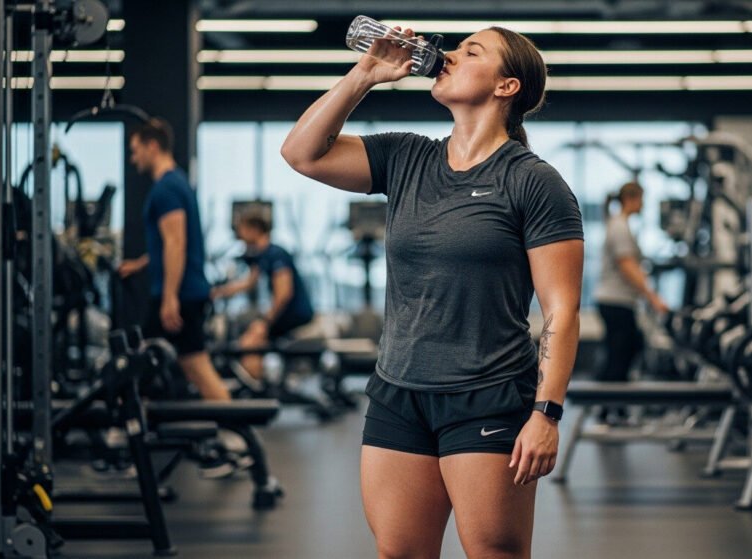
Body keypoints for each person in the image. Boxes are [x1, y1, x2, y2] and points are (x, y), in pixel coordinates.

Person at [281, 25, 584, 559]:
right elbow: (301, 153)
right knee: (400, 552)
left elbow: (561, 308)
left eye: (471, 51)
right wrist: (366, 75)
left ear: (505, 87)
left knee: (494, 551)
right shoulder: (407, 158)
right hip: (398, 394)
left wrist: (547, 413)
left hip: (486, 394)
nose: (447, 55)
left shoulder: (533, 182)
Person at [118, 118, 231, 402]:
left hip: (179, 294)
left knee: (191, 367)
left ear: (152, 146)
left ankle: (235, 428)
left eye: (136, 150)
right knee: (157, 363)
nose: (133, 159)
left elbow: (176, 242)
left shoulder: (165, 189)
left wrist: (169, 297)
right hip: (185, 291)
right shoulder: (176, 182)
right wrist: (141, 263)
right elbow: (170, 242)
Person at [212, 210, 316, 385]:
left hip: (296, 314)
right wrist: (218, 291)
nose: (239, 235)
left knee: (250, 342)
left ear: (254, 230)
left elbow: (284, 294)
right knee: (250, 335)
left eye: (242, 229)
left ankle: (256, 389)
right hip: (285, 313)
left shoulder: (276, 253)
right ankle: (258, 385)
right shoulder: (261, 255)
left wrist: (264, 322)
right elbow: (248, 283)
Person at [593, 182, 668, 391]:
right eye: (642, 200)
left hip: (617, 301)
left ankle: (612, 408)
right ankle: (610, 409)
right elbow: (627, 265)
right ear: (631, 199)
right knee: (621, 355)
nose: (643, 205)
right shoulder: (619, 226)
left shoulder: (621, 224)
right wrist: (652, 297)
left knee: (625, 350)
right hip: (615, 301)